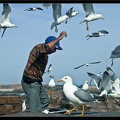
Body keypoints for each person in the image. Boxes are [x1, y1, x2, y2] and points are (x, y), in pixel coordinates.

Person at [21, 31, 67, 112]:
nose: (55, 50)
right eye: (55, 47)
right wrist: (59, 38)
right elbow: (46, 48)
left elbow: (47, 50)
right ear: (50, 44)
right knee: (35, 108)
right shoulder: (38, 48)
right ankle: (34, 112)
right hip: (30, 82)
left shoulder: (45, 56)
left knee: (45, 101)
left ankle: (33, 111)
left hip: (37, 82)